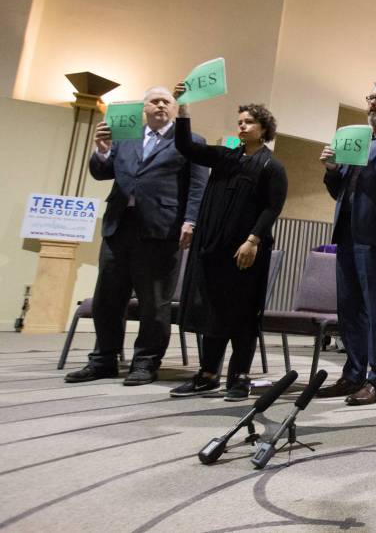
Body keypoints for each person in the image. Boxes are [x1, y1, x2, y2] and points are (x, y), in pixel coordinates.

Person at [65, 87, 208, 386]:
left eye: (165, 101)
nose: (160, 105)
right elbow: (103, 172)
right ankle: (103, 359)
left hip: (161, 230)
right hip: (119, 226)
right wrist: (102, 150)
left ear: (174, 108)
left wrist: (191, 220)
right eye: (153, 101)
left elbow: (197, 186)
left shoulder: (189, 141)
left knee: (154, 302)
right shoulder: (126, 138)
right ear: (143, 108)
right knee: (108, 298)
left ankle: (145, 362)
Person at [168, 91, 288, 401]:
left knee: (243, 315)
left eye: (249, 122)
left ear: (264, 128)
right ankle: (207, 375)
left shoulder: (271, 166)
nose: (243, 127)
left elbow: (272, 207)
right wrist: (183, 108)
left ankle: (239, 377)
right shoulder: (227, 155)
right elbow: (186, 146)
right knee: (213, 313)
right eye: (240, 122)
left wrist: (253, 240)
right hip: (214, 251)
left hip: (246, 253)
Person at [317, 80, 376, 405]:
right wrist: (331, 169)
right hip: (346, 233)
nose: (372, 103)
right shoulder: (354, 139)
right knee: (349, 309)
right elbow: (339, 189)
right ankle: (352, 373)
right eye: (370, 98)